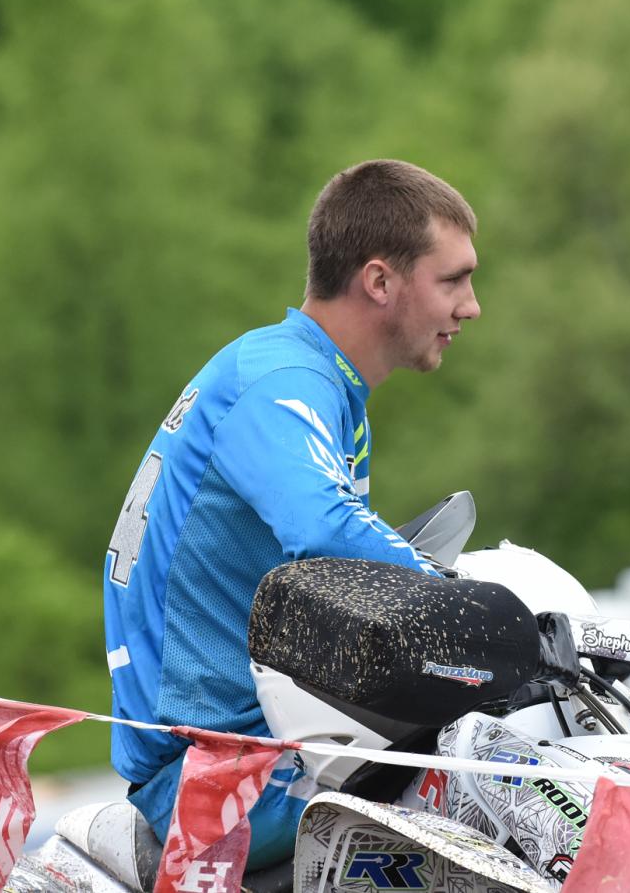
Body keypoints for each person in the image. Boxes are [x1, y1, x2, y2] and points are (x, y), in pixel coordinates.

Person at [102, 159, 481, 868]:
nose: (471, 305)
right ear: (379, 281)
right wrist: (466, 610)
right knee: (482, 824)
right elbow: (325, 528)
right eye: (453, 280)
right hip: (220, 777)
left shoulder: (308, 377)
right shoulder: (284, 381)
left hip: (253, 751)